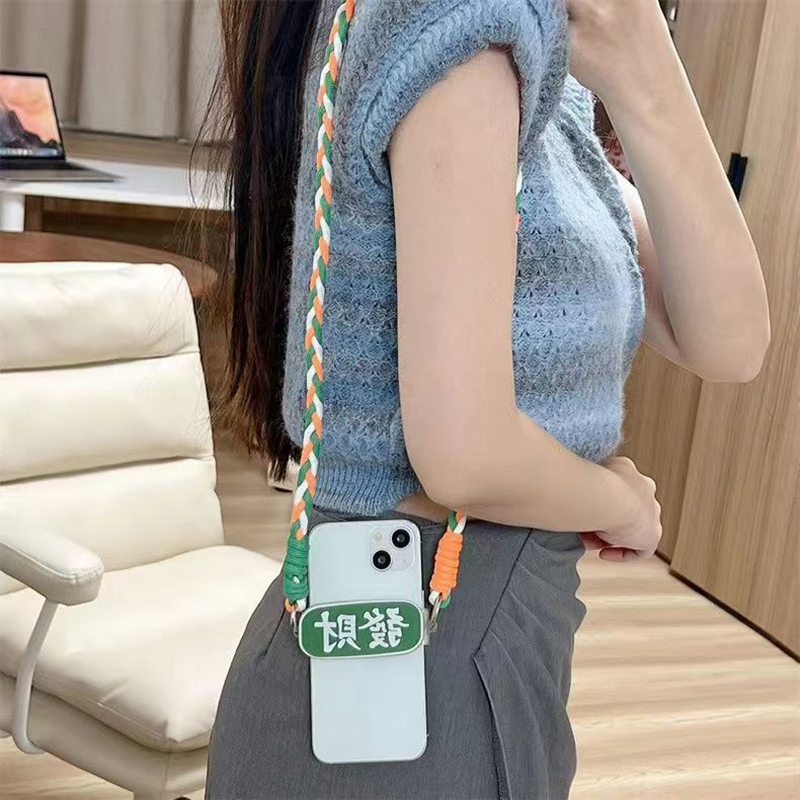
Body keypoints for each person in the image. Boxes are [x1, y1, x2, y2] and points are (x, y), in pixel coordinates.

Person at [204, 0, 769, 797]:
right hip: (424, 643)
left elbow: (730, 341)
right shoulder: (465, 20)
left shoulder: (548, 95)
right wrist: (621, 503)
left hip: (479, 636)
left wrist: (646, 71)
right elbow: (464, 454)